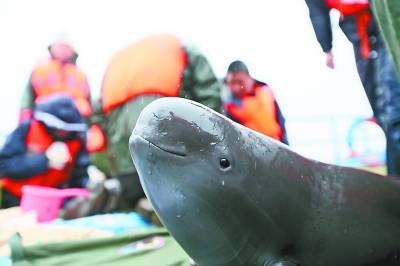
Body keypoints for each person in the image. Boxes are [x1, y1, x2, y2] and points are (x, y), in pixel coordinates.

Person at [90, 34, 223, 209]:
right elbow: (209, 94)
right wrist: (209, 137)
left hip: (123, 146)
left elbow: (98, 116)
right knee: (171, 194)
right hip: (166, 136)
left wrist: (112, 158)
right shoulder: (181, 48)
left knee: (135, 189)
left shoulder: (117, 63)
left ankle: (123, 195)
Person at [304, 0, 400, 175]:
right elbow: (318, 11)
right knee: (384, 116)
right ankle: (395, 179)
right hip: (362, 39)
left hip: (387, 29)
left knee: (394, 110)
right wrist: (327, 47)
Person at [0, 94, 90, 208]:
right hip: (15, 201)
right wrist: (45, 160)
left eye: (67, 130)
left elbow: (79, 178)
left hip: (51, 204)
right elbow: (4, 166)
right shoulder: (27, 128)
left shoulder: (77, 141)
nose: (64, 133)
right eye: (60, 129)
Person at [19, 38, 92, 122]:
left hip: (75, 120)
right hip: (44, 117)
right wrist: (25, 116)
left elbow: (89, 102)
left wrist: (90, 124)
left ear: (72, 51)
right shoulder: (39, 69)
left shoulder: (81, 75)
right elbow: (27, 98)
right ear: (52, 48)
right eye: (60, 46)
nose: (63, 50)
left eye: (66, 47)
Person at [223, 60, 289, 144]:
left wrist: (285, 145)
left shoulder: (264, 91)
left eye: (240, 82)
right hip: (250, 150)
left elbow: (280, 121)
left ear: (249, 79)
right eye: (232, 83)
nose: (236, 88)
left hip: (276, 146)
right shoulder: (225, 103)